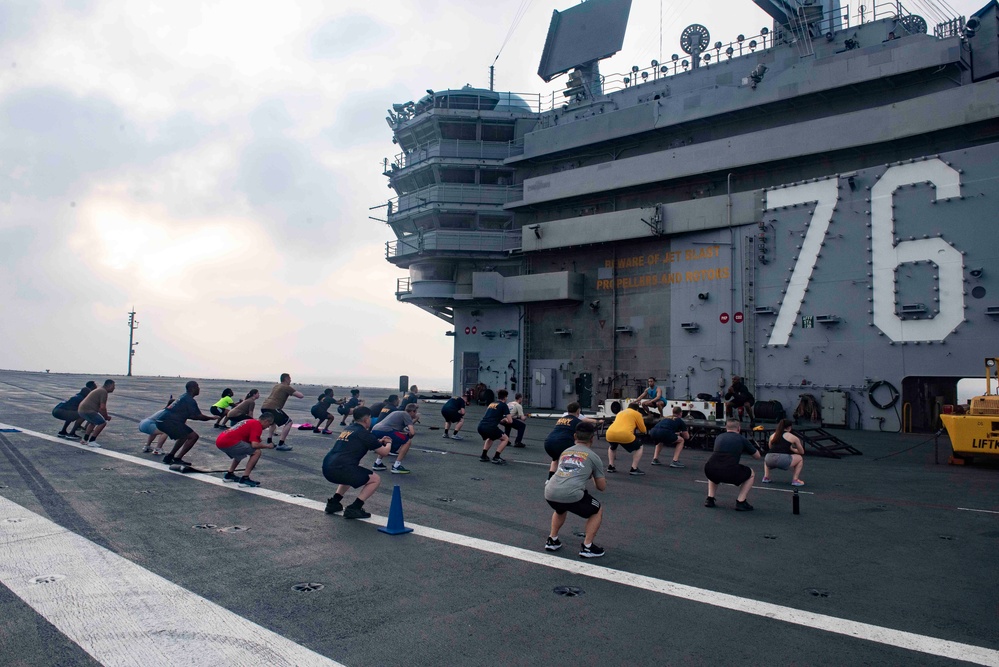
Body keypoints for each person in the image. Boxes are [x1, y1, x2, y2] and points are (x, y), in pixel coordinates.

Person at [544, 422, 608, 558]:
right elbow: (601, 487)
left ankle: (552, 539)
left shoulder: (565, 452)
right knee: (597, 510)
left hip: (550, 491)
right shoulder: (593, 457)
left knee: (560, 508)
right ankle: (587, 547)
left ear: (574, 436)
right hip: (571, 494)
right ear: (592, 438)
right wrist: (592, 475)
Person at [322, 407, 392, 519]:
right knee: (375, 479)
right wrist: (389, 443)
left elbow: (362, 441)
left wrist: (378, 442)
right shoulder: (364, 434)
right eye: (370, 418)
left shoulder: (348, 429)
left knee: (350, 475)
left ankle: (334, 503)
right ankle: (355, 507)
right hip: (341, 469)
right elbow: (384, 452)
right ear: (366, 420)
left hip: (327, 467)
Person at [704, 418, 762, 510]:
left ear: (726, 428)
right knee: (751, 473)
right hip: (729, 471)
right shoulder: (742, 439)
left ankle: (710, 498)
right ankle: (741, 501)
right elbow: (757, 456)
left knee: (714, 469)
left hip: (709, 469)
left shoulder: (719, 437)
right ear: (739, 428)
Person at [159, 381, 215, 465]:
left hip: (163, 420)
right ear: (192, 388)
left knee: (184, 436)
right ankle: (177, 458)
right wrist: (211, 418)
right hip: (170, 421)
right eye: (197, 387)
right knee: (193, 436)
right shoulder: (189, 400)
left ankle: (169, 457)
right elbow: (198, 416)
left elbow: (191, 415)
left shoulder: (183, 397)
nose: (199, 389)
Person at [215, 411, 276, 487]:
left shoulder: (249, 421)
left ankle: (229, 474)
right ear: (266, 421)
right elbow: (255, 445)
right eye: (269, 425)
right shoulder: (257, 425)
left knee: (242, 449)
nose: (268, 427)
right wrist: (268, 446)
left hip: (220, 440)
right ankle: (245, 478)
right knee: (257, 452)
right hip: (229, 442)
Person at [543, 402, 602, 479]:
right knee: (572, 460)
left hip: (548, 443)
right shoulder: (577, 421)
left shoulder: (561, 419)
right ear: (578, 411)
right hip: (563, 443)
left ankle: (549, 479)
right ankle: (570, 480)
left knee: (555, 459)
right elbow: (582, 435)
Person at [371, 402, 419, 474]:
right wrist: (409, 436)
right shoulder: (407, 415)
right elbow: (412, 432)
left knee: (387, 440)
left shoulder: (397, 412)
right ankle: (396, 466)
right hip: (387, 430)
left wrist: (405, 434)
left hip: (376, 429)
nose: (415, 414)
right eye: (415, 412)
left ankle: (377, 463)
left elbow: (398, 431)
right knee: (407, 441)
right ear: (412, 411)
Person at [260, 373, 305, 451]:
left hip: (265, 406)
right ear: (286, 379)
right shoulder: (286, 387)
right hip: (273, 407)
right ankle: (281, 444)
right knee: (289, 422)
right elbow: (300, 396)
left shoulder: (276, 386)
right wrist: (293, 391)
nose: (290, 380)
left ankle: (269, 441)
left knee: (272, 423)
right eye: (290, 378)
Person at [604, 402, 648, 475]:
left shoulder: (620, 413)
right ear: (637, 409)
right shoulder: (637, 414)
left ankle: (611, 466)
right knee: (639, 446)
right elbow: (643, 430)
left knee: (612, 447)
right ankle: (634, 468)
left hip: (610, 433)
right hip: (625, 434)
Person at [764, 419, 805, 486]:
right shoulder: (793, 437)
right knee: (800, 458)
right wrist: (792, 449)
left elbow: (770, 448)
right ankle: (795, 480)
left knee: (768, 457)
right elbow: (801, 452)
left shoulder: (772, 435)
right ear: (789, 427)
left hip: (769, 459)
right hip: (782, 460)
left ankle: (766, 477)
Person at [478, 389, 513, 464]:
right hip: (490, 427)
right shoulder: (504, 405)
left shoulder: (492, 404)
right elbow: (510, 421)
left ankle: (483, 455)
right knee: (505, 439)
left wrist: (500, 420)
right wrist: (505, 420)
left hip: (481, 425)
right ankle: (496, 457)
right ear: (505, 397)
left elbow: (492, 415)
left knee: (491, 438)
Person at [77, 379, 115, 447]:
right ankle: (92, 441)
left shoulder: (100, 390)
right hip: (87, 410)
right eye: (113, 386)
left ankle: (85, 439)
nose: (114, 388)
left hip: (82, 410)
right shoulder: (103, 392)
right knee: (102, 423)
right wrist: (106, 417)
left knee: (93, 422)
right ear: (109, 385)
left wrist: (105, 416)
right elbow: (102, 407)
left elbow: (100, 408)